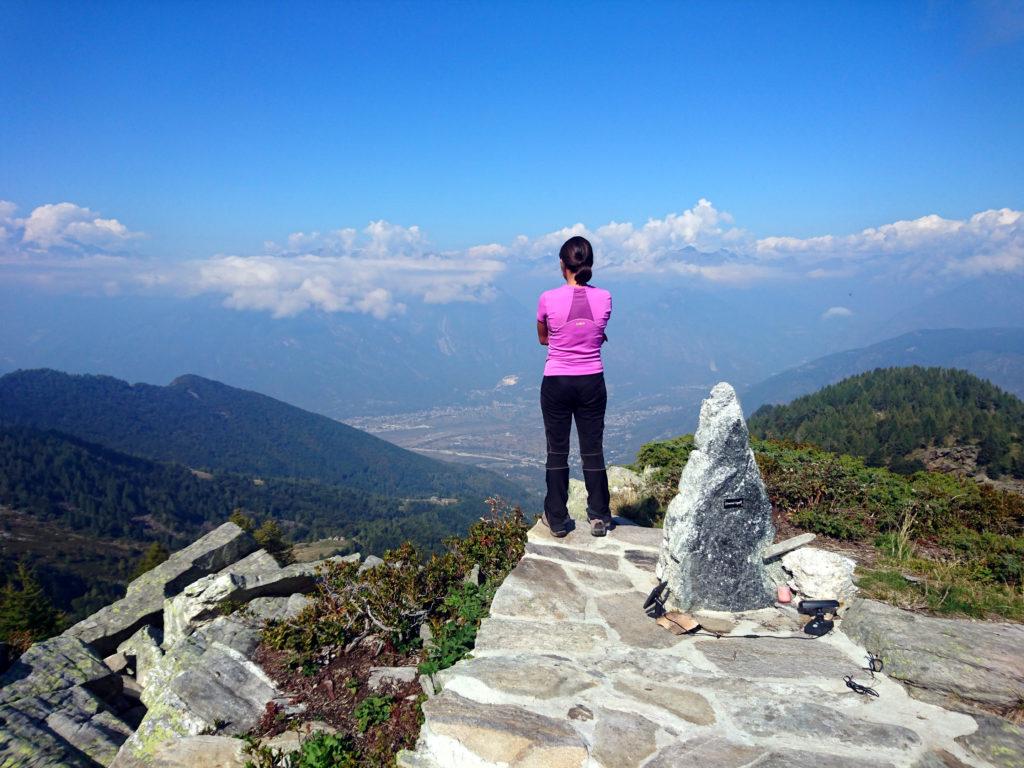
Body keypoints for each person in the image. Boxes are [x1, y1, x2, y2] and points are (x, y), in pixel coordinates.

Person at [536, 235, 613, 537]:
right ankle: (600, 515)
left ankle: (556, 518)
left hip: (557, 381)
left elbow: (544, 338)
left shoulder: (547, 298)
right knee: (592, 449)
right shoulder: (605, 297)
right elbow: (596, 331)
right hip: (592, 381)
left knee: (557, 451)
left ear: (562, 265)